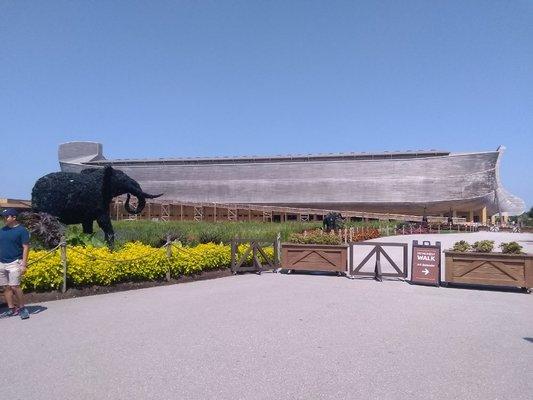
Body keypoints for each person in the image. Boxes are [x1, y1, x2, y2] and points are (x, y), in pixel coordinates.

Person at [0, 208, 30, 319]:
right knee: (5, 287)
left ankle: (22, 308)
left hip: (15, 262)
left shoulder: (22, 231)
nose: (4, 219)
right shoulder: (2, 230)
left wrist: (24, 264)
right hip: (1, 263)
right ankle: (12, 308)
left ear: (14, 217)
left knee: (15, 286)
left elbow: (26, 247)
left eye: (6, 216)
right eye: (3, 217)